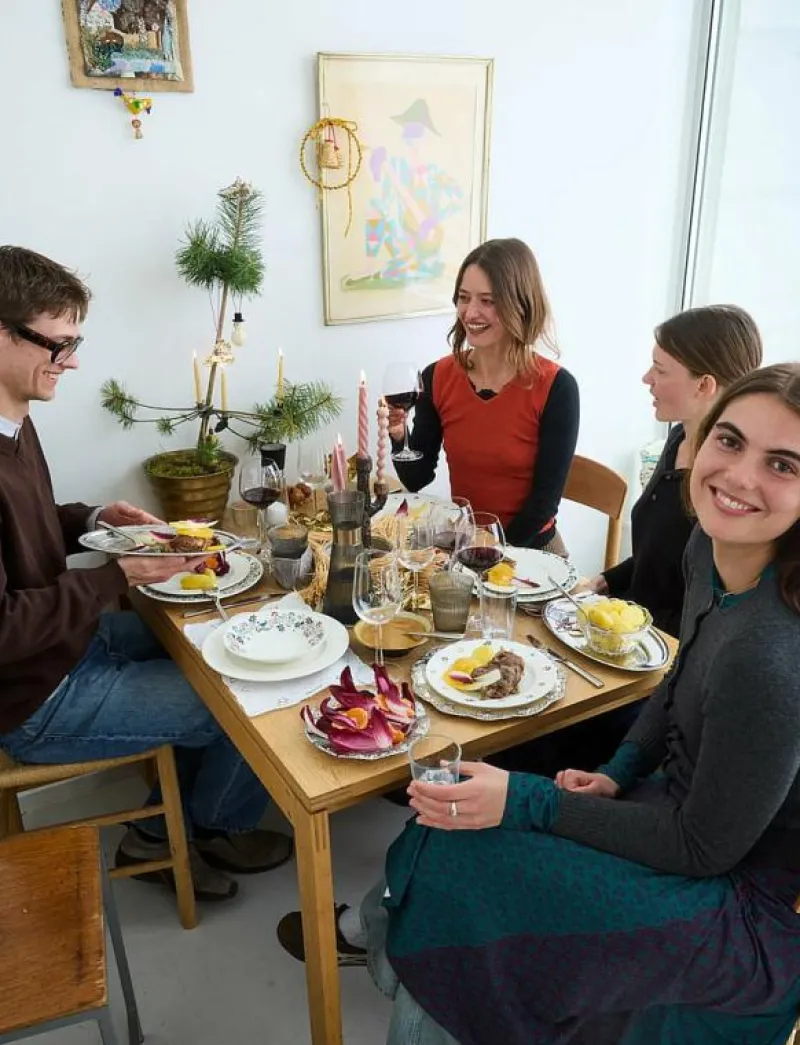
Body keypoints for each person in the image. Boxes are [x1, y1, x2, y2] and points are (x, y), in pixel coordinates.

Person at [362, 363, 800, 1045]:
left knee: (463, 853)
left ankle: (407, 969)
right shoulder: (709, 551)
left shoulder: (770, 653)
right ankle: (406, 963)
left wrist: (529, 800)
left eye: (782, 464)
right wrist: (620, 768)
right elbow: (678, 679)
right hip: (671, 810)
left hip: (740, 906)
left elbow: (702, 847)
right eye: (731, 441)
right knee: (451, 823)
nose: (740, 476)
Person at [0, 245, 292, 902]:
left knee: (230, 639)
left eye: (75, 342)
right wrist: (120, 573)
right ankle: (199, 830)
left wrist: (95, 518)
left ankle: (172, 827)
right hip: (34, 697)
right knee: (246, 701)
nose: (72, 360)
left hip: (68, 647)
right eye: (58, 343)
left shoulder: (14, 420)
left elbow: (24, 527)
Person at [388, 238, 579, 552]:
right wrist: (399, 437)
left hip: (530, 552)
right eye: (464, 298)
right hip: (466, 546)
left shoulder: (557, 388)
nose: (471, 313)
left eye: (488, 301)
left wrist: (492, 550)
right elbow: (417, 478)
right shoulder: (437, 377)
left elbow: (544, 503)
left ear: (520, 304)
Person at [586, 304, 762, 637]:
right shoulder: (678, 438)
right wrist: (606, 581)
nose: (647, 378)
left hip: (663, 645)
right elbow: (656, 556)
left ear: (704, 385)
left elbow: (702, 608)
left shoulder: (728, 485)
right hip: (631, 626)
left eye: (660, 370)